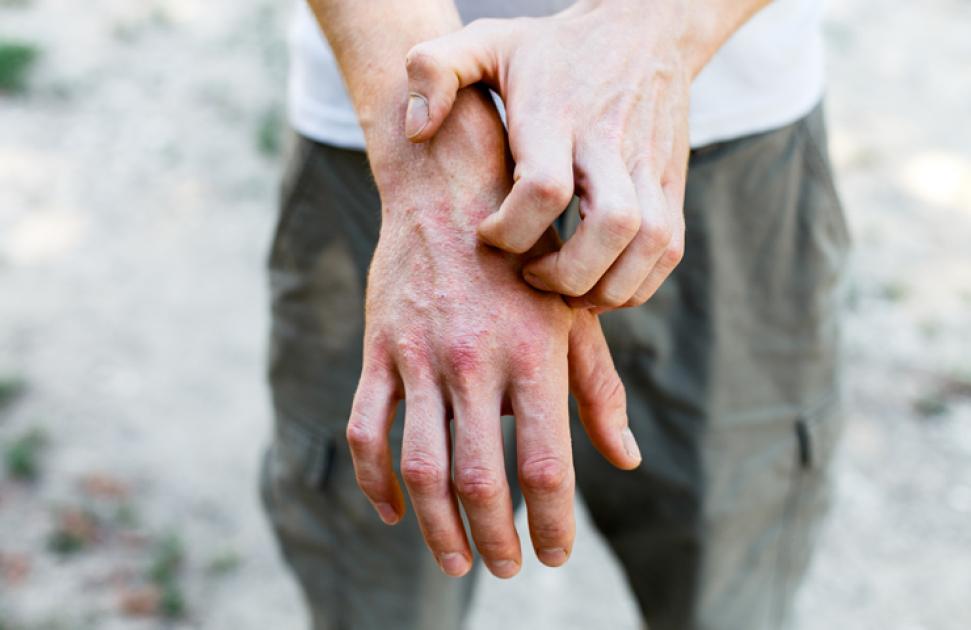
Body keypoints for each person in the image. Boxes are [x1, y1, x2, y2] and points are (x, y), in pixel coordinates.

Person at [259, 0, 851, 628]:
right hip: (387, 133)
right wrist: (428, 147)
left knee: (726, 590)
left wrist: (658, 29)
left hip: (723, 127)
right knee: (384, 589)